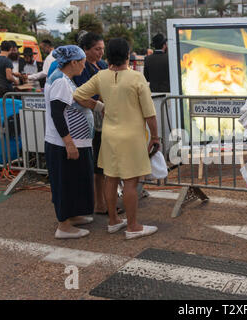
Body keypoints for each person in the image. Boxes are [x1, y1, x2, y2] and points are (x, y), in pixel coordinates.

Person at [74, 38, 159, 240]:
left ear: (109, 55)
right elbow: (150, 113)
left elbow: (77, 94)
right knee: (130, 181)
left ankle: (113, 221)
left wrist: (98, 106)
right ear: (127, 54)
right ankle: (133, 226)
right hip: (132, 137)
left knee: (110, 178)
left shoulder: (101, 76)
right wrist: (155, 136)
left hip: (109, 134)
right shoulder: (136, 78)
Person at [44, 45, 103, 239]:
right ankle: (64, 226)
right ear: (74, 62)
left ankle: (73, 216)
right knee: (66, 183)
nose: (84, 66)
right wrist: (69, 143)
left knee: (76, 180)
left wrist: (98, 106)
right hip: (63, 143)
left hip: (75, 141)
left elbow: (78, 101)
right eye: (83, 62)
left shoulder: (65, 80)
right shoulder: (60, 81)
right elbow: (57, 113)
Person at [72, 32, 121, 217]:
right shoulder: (82, 69)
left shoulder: (101, 65)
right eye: (96, 49)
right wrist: (100, 103)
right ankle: (99, 204)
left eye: (102, 49)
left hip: (105, 120)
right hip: (90, 122)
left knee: (106, 164)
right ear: (86, 50)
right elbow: (82, 94)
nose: (101, 53)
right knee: (98, 166)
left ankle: (103, 202)